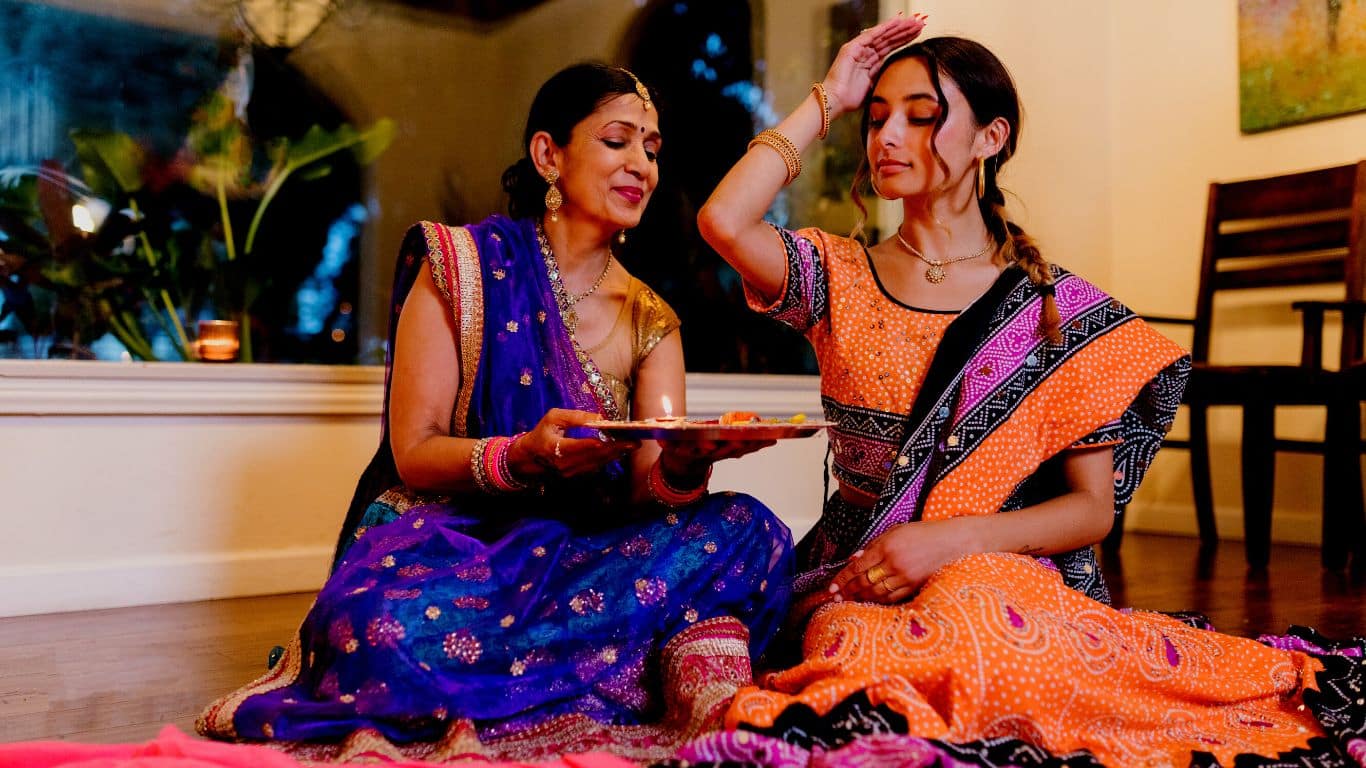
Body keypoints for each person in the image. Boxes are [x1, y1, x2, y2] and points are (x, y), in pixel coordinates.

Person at [679, 17, 1366, 768]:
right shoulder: (836, 276)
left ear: (991, 137)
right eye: (876, 119)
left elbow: (1091, 510)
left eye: (922, 116)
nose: (888, 136)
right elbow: (723, 220)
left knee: (984, 629)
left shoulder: (1054, 310)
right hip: (863, 577)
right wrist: (828, 97)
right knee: (874, 668)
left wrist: (947, 542)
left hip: (1000, 573)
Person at [198, 63, 794, 763]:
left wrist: (686, 463)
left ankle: (538, 667)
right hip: (459, 542)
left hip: (591, 552)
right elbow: (416, 450)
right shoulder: (461, 266)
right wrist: (521, 454)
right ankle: (616, 665)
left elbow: (647, 492)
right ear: (548, 155)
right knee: (377, 626)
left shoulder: (651, 318)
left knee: (747, 529)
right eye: (618, 141)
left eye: (653, 149)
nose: (642, 164)